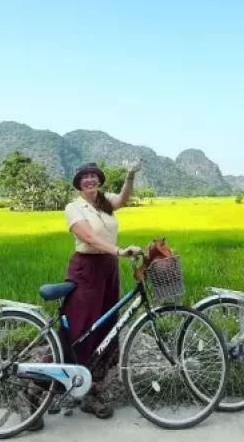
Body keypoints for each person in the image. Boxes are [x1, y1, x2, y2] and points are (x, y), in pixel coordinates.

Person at [59, 160, 143, 419]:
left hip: (108, 268)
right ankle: (41, 386)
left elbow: (124, 199)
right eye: (85, 177)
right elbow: (89, 238)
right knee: (81, 328)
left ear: (99, 181)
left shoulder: (104, 203)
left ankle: (92, 387)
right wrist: (118, 250)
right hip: (87, 269)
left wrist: (129, 176)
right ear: (79, 183)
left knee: (106, 326)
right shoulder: (74, 208)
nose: (90, 180)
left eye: (94, 176)